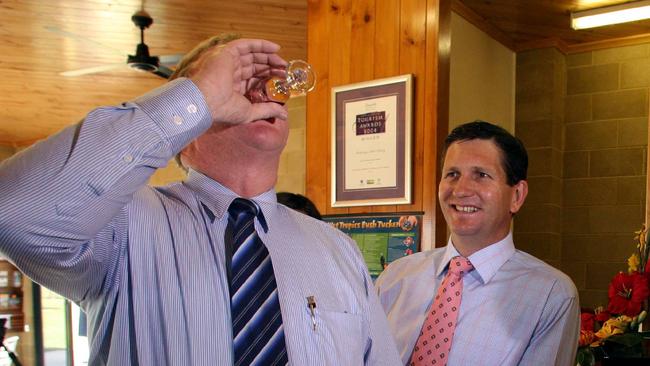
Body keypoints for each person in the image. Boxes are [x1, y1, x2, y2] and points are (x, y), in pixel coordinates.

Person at [0, 36, 400, 365]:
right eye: (234, 85)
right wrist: (198, 95)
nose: (261, 94)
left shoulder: (337, 250)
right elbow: (14, 214)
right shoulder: (123, 223)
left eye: (266, 85)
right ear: (187, 126)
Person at [376, 121, 579, 365]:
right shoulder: (395, 277)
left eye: (481, 175)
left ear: (517, 196)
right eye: (452, 174)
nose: (461, 190)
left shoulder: (551, 295)